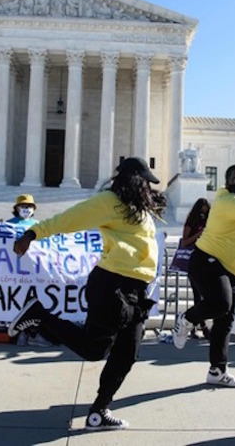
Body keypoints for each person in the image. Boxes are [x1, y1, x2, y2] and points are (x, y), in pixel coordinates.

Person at [9, 157, 165, 431]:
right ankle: (39, 314)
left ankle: (99, 411)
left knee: (128, 353)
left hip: (136, 291)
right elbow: (70, 219)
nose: (148, 188)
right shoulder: (108, 202)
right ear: (133, 180)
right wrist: (32, 233)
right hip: (112, 285)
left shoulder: (138, 208)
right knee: (95, 350)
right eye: (145, 183)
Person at [172, 164, 235, 388]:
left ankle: (217, 370)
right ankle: (187, 319)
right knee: (221, 303)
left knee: (225, 321)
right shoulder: (226, 201)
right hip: (208, 261)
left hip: (231, 269)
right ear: (228, 182)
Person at [5, 194, 50, 348]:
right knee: (18, 302)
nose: (26, 209)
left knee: (34, 303)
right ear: (16, 208)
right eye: (23, 206)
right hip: (15, 271)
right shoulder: (8, 224)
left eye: (29, 207)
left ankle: (34, 333)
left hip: (34, 271)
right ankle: (21, 334)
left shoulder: (37, 225)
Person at [180, 198, 210, 339]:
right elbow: (185, 241)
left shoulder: (209, 222)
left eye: (206, 210)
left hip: (208, 261)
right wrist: (199, 234)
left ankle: (198, 323)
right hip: (195, 262)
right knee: (198, 296)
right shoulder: (191, 222)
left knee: (206, 296)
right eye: (202, 210)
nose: (204, 213)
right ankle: (198, 325)